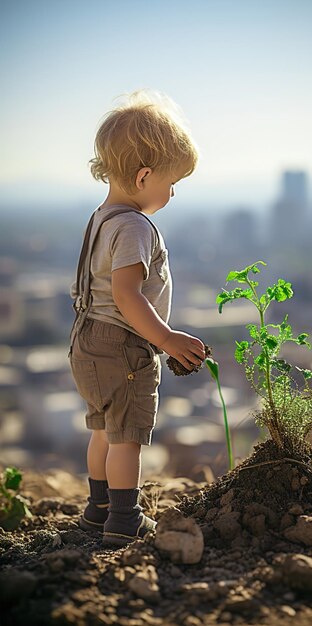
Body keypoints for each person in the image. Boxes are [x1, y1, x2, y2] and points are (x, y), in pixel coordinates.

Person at [68, 89, 206, 547]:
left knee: (104, 431)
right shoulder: (134, 227)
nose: (172, 193)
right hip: (122, 345)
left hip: (87, 340)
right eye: (171, 182)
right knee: (127, 438)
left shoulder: (101, 218)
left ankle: (97, 510)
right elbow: (127, 296)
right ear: (144, 176)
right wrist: (166, 339)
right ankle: (125, 520)